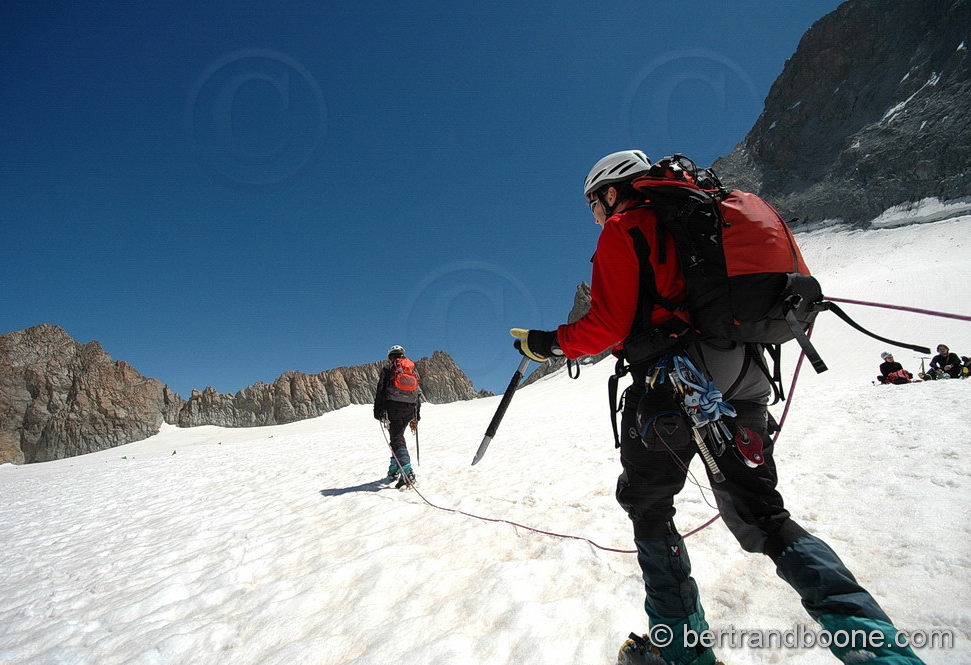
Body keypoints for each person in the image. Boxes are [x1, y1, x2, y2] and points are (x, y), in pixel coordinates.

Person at [511, 150, 925, 665]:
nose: (597, 216)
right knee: (766, 516)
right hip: (747, 374)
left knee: (650, 508)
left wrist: (546, 343)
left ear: (614, 190)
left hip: (675, 385)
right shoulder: (722, 212)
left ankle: (679, 650)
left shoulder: (627, 226)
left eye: (596, 204)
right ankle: (885, 655)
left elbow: (607, 327)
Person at [374, 345, 421, 488]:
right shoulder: (412, 369)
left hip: (393, 407)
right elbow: (418, 392)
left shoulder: (388, 369)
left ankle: (407, 473)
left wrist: (378, 411)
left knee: (396, 438)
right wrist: (416, 413)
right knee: (397, 436)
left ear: (390, 357)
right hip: (410, 408)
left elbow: (381, 390)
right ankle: (394, 470)